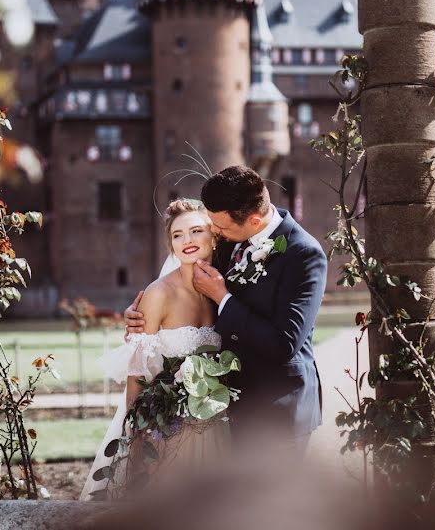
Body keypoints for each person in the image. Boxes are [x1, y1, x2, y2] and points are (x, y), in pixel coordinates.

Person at [126, 165, 327, 452]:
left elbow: (285, 343)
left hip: (278, 410)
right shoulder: (228, 237)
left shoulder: (303, 254)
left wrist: (223, 298)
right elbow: (182, 286)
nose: (214, 233)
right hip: (222, 410)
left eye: (219, 228)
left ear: (254, 221)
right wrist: (143, 318)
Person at [80, 199, 227, 500]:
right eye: (177, 235)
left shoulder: (219, 290)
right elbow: (137, 375)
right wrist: (136, 443)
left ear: (214, 236)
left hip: (215, 427)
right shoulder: (158, 293)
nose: (186, 241)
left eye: (196, 231)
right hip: (166, 430)